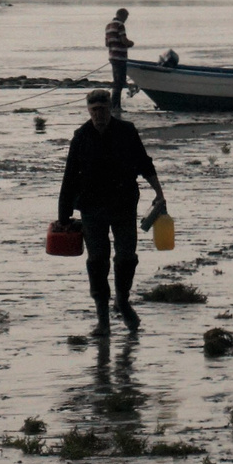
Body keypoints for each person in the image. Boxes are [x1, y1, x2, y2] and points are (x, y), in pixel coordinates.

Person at [58, 89, 165, 336]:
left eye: (103, 109)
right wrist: (63, 217)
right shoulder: (81, 136)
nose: (99, 115)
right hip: (91, 208)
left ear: (110, 109)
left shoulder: (127, 131)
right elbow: (69, 177)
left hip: (123, 204)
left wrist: (159, 192)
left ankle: (123, 301)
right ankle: (102, 320)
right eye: (94, 110)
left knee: (126, 257)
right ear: (88, 111)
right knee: (97, 261)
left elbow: (144, 163)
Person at [105, 7, 132, 113]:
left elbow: (107, 43)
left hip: (112, 56)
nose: (126, 20)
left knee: (116, 81)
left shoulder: (108, 26)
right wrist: (131, 43)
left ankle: (114, 106)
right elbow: (124, 40)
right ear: (122, 16)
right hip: (120, 57)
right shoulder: (120, 25)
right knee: (119, 83)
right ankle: (116, 107)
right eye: (126, 17)